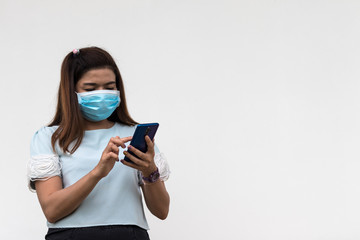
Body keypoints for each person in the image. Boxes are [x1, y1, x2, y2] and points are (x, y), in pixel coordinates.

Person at [27, 47, 170, 240]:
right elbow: (52, 211)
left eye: (110, 87)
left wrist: (149, 170)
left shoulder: (134, 135)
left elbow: (161, 211)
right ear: (71, 91)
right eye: (91, 88)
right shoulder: (50, 137)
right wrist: (98, 172)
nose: (102, 94)